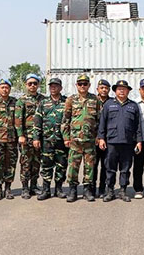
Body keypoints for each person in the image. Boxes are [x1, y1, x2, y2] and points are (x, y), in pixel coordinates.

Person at [98, 80, 143, 202]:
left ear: (128, 91)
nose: (122, 91)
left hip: (128, 143)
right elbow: (102, 123)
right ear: (115, 91)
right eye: (119, 89)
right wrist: (101, 138)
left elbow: (138, 125)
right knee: (110, 168)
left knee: (125, 169)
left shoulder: (133, 106)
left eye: (124, 89)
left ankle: (123, 191)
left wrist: (139, 141)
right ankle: (110, 191)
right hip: (111, 142)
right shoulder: (108, 105)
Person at [61, 74, 101, 202]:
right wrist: (66, 137)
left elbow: (99, 120)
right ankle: (72, 190)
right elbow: (65, 120)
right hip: (75, 140)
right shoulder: (71, 100)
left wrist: (99, 136)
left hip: (90, 140)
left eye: (85, 84)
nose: (82, 86)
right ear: (76, 85)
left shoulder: (95, 100)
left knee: (89, 166)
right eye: (80, 84)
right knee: (73, 166)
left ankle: (87, 190)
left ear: (89, 85)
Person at [33, 77, 68, 200]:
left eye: (56, 86)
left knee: (61, 165)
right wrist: (36, 138)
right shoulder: (43, 103)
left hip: (61, 140)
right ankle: (46, 190)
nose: (53, 88)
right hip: (46, 140)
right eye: (51, 86)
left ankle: (58, 189)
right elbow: (37, 121)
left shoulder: (66, 102)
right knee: (46, 166)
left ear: (60, 88)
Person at [16, 74, 45, 199]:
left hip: (39, 137)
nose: (32, 85)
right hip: (26, 137)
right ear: (26, 85)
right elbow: (18, 119)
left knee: (37, 162)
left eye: (35, 83)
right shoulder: (21, 100)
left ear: (38, 85)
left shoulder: (43, 99)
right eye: (30, 83)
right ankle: (25, 187)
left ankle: (34, 185)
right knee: (26, 162)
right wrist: (20, 135)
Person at [0, 78, 18, 200]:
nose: (5, 90)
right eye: (2, 87)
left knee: (11, 164)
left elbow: (19, 120)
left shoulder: (15, 102)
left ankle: (8, 188)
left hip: (12, 139)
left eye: (7, 87)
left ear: (10, 89)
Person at [92, 79, 111, 197]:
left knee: (106, 165)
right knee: (93, 165)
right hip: (93, 139)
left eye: (106, 88)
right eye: (102, 88)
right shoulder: (92, 101)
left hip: (107, 139)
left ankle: (103, 188)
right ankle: (92, 188)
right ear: (97, 89)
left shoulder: (112, 102)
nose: (104, 90)